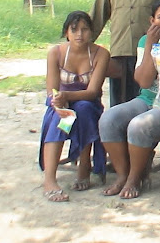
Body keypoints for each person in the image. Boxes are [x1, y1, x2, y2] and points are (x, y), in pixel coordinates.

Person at [100, 0, 160, 199]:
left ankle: (134, 179)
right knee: (109, 119)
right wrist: (151, 44)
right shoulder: (145, 41)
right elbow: (143, 81)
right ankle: (122, 175)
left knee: (138, 125)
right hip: (148, 98)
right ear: (152, 20)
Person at [40, 11, 110, 202]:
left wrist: (67, 95)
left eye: (85, 29)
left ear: (92, 32)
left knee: (84, 109)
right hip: (61, 103)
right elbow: (52, 90)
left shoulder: (101, 54)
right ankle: (50, 179)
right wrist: (60, 101)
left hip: (88, 102)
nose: (80, 34)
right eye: (74, 29)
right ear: (66, 32)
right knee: (62, 118)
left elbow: (93, 91)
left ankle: (84, 166)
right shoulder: (56, 53)